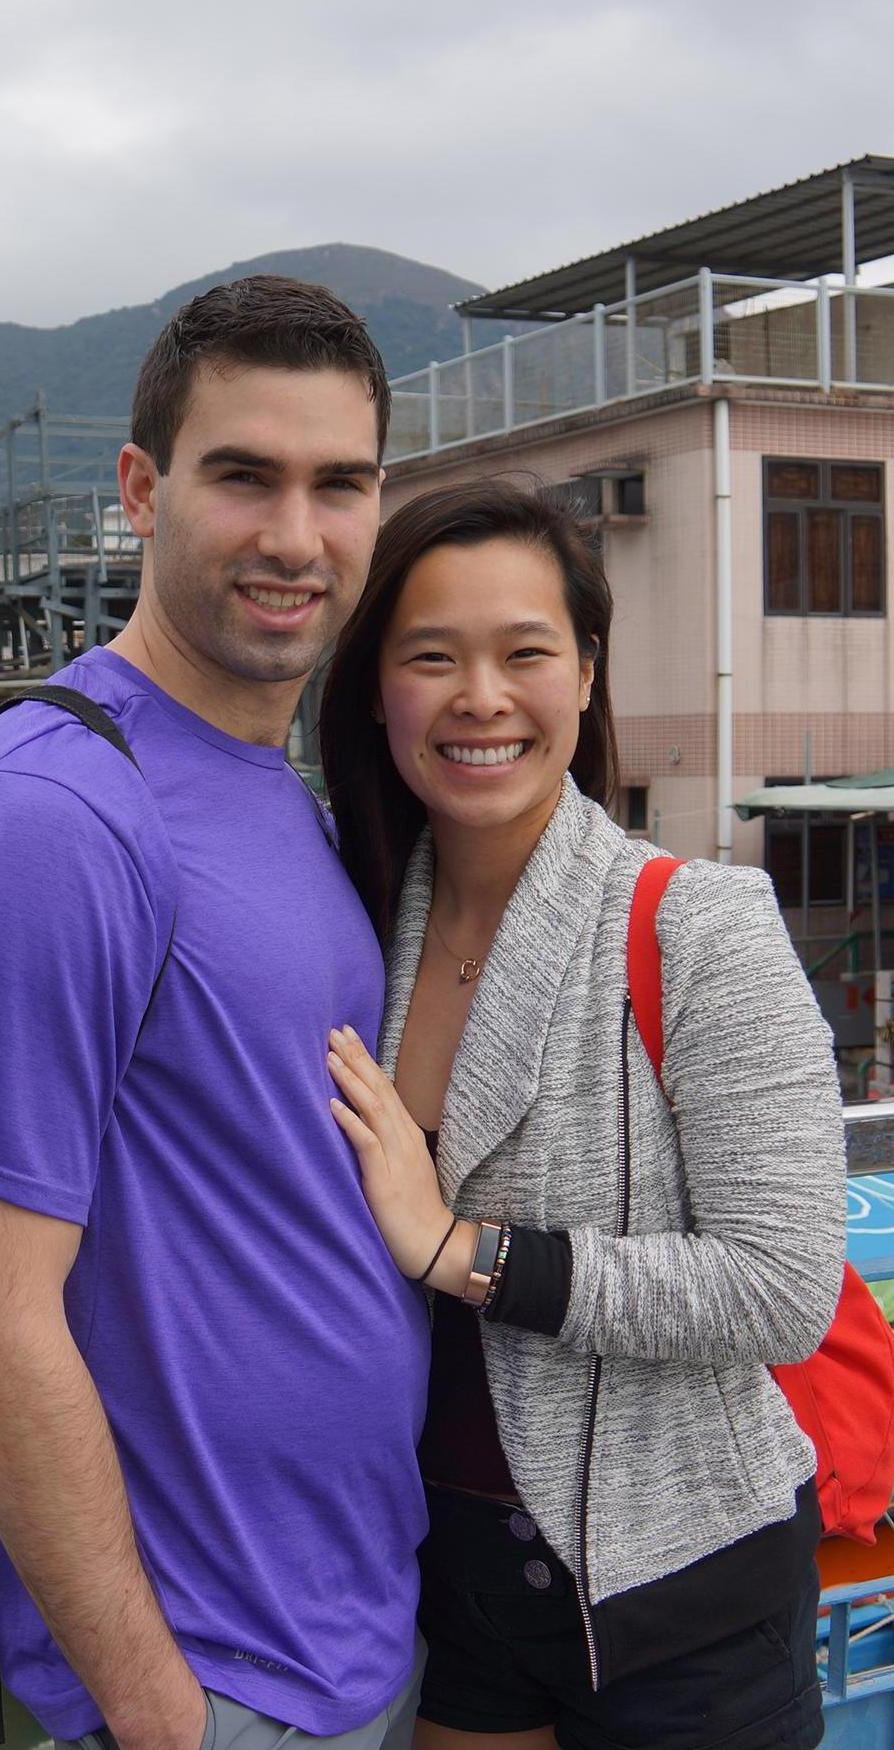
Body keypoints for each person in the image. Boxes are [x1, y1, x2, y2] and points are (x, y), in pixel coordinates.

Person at [0, 277, 428, 1750]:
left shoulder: (279, 794)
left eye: (337, 483)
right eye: (242, 476)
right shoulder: (46, 813)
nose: (293, 537)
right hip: (203, 1685)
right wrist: (157, 1714)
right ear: (141, 489)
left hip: (356, 1633)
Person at [318, 480, 843, 1750]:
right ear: (375, 686)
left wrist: (463, 1252)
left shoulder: (697, 925)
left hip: (681, 1605)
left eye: (524, 653)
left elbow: (781, 1286)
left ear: (587, 672)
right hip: (440, 1580)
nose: (479, 697)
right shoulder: (350, 920)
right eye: (429, 656)